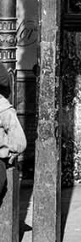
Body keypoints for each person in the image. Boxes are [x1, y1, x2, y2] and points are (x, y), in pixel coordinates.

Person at [0, 70, 27, 207]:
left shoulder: (4, 109)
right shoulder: (4, 108)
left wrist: (7, 154)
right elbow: (19, 143)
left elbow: (19, 142)